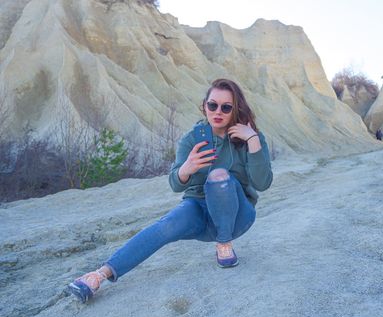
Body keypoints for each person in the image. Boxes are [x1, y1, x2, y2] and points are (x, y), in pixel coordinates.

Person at [68, 78, 273, 303]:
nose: (218, 112)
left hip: (236, 216)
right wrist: (186, 169)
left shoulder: (249, 137)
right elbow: (175, 184)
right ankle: (98, 276)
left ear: (236, 109)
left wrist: (252, 139)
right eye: (212, 105)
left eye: (226, 107)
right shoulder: (194, 138)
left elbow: (262, 184)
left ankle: (224, 244)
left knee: (219, 176)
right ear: (204, 105)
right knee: (164, 226)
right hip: (199, 210)